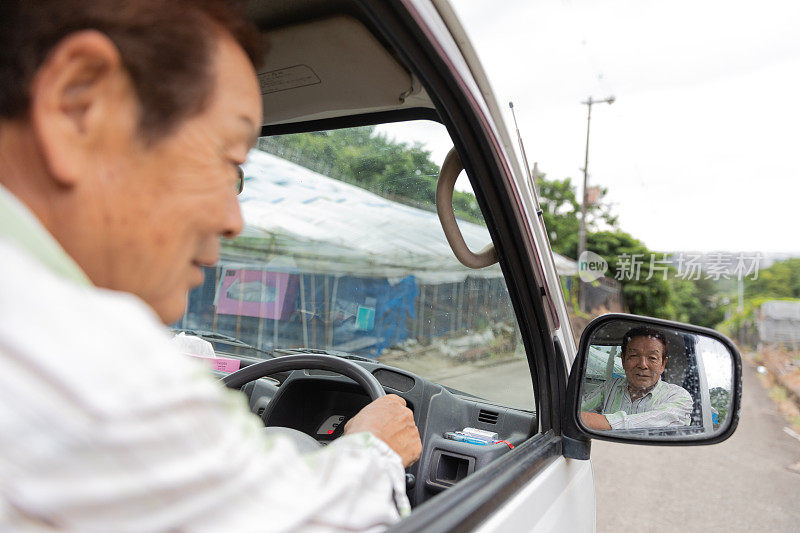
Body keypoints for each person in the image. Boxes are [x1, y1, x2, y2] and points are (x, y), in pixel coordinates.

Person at [0, 1, 421, 530]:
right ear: (79, 104)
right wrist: (376, 448)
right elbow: (299, 515)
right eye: (230, 163)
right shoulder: (86, 355)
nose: (234, 221)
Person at [580, 327, 693, 431]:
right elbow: (580, 408)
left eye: (652, 358)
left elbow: (658, 420)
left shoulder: (678, 396)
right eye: (634, 355)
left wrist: (593, 421)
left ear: (663, 364)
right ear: (623, 361)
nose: (643, 365)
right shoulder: (610, 386)